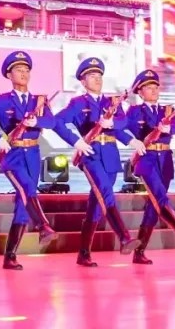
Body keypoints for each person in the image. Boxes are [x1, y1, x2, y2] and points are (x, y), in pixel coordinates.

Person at [0, 51, 92, 270]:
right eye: (19, 70)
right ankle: (43, 226)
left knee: (23, 204)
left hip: (33, 155)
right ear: (9, 75)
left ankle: (10, 256)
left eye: (26, 70)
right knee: (28, 188)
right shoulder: (2, 101)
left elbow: (52, 122)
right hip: (13, 155)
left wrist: (37, 122)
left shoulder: (39, 101)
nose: (24, 73)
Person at [55, 57, 142, 266]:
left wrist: (127, 137)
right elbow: (57, 121)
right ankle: (124, 236)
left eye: (99, 75)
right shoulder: (78, 103)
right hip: (91, 154)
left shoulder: (112, 102)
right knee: (105, 191)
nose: (97, 79)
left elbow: (122, 122)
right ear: (83, 81)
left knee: (97, 204)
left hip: (110, 156)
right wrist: (76, 142)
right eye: (92, 76)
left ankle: (83, 253)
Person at [122, 69, 175, 264]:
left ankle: (139, 252)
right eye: (149, 88)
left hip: (165, 159)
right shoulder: (134, 111)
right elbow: (122, 128)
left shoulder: (168, 111)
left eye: (156, 87)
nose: (154, 91)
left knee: (154, 207)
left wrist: (168, 128)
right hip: (146, 158)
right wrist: (138, 138)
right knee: (159, 195)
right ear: (140, 92)